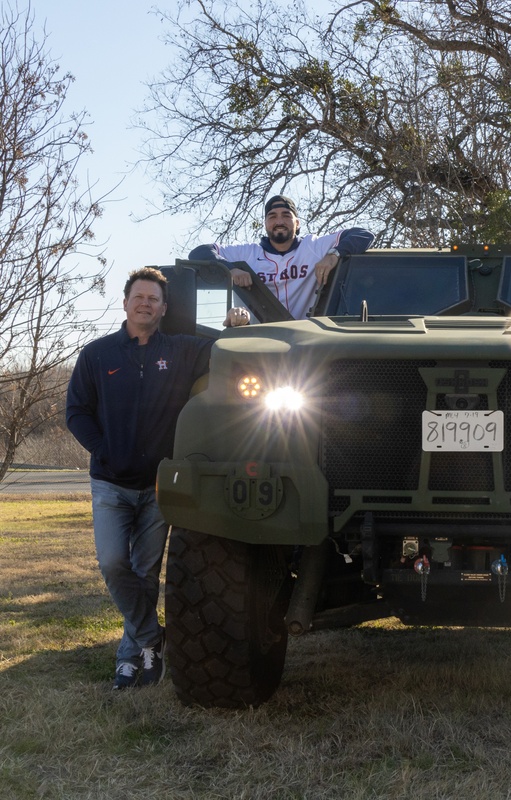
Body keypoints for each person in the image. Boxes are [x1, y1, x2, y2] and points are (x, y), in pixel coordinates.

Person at [66, 268, 237, 689]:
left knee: (145, 573)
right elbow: (76, 413)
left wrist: (234, 328)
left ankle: (131, 658)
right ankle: (150, 637)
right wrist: (104, 449)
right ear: (125, 303)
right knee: (111, 563)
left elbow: (227, 350)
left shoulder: (181, 350)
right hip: (110, 483)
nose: (146, 304)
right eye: (139, 297)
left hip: (159, 486)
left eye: (154, 299)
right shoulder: (97, 354)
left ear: (164, 308)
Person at [189, 195, 375, 321]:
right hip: (259, 342)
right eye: (272, 216)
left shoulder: (313, 246)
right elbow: (199, 252)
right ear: (266, 224)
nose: (279, 221)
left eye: (286, 216)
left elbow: (363, 234)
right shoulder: (247, 253)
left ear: (297, 223)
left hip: (308, 338)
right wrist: (230, 268)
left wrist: (334, 255)